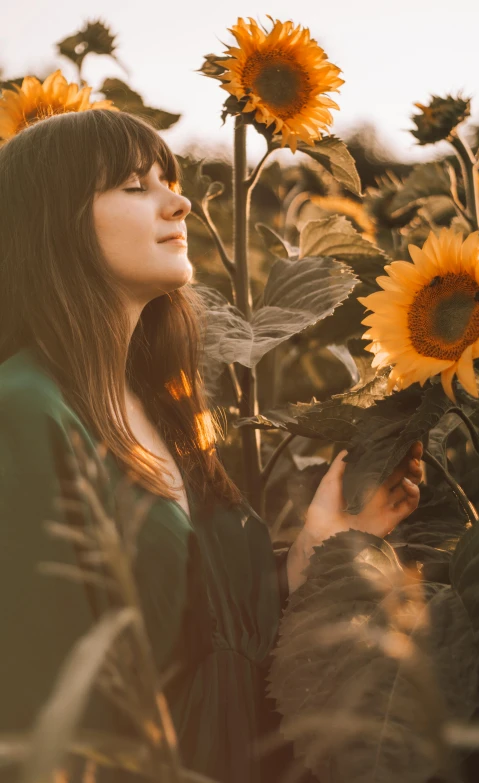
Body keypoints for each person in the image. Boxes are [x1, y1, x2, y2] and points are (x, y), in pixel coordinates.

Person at [0, 109, 422, 783]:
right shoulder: (23, 408)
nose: (182, 201)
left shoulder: (160, 405)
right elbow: (42, 704)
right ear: (55, 222)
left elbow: (210, 635)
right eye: (136, 186)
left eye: (169, 179)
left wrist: (322, 542)